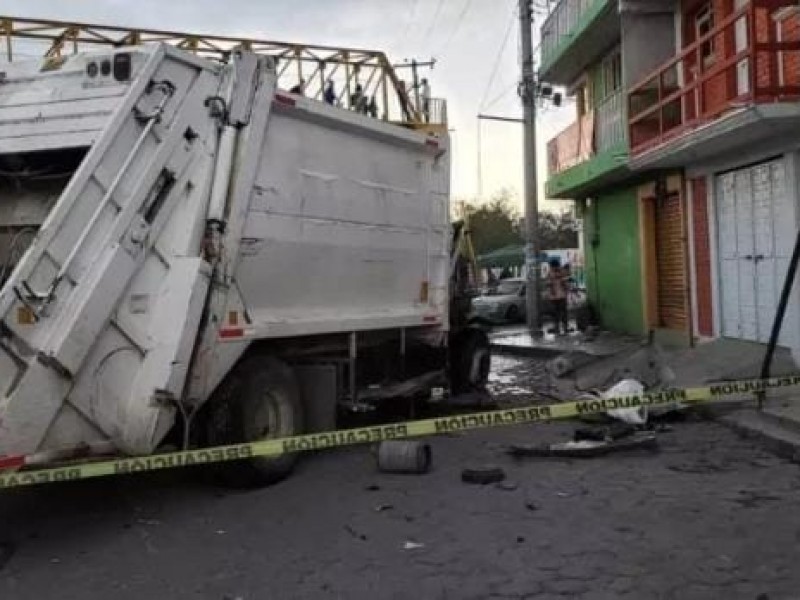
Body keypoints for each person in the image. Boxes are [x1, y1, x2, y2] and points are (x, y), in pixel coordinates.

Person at [547, 258, 569, 335]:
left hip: (561, 296)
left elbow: (565, 283)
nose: (552, 268)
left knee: (563, 313)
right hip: (554, 297)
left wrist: (565, 286)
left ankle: (565, 328)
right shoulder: (550, 273)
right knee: (555, 314)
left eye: (552, 266)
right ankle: (557, 329)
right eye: (552, 267)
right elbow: (549, 284)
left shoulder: (561, 272)